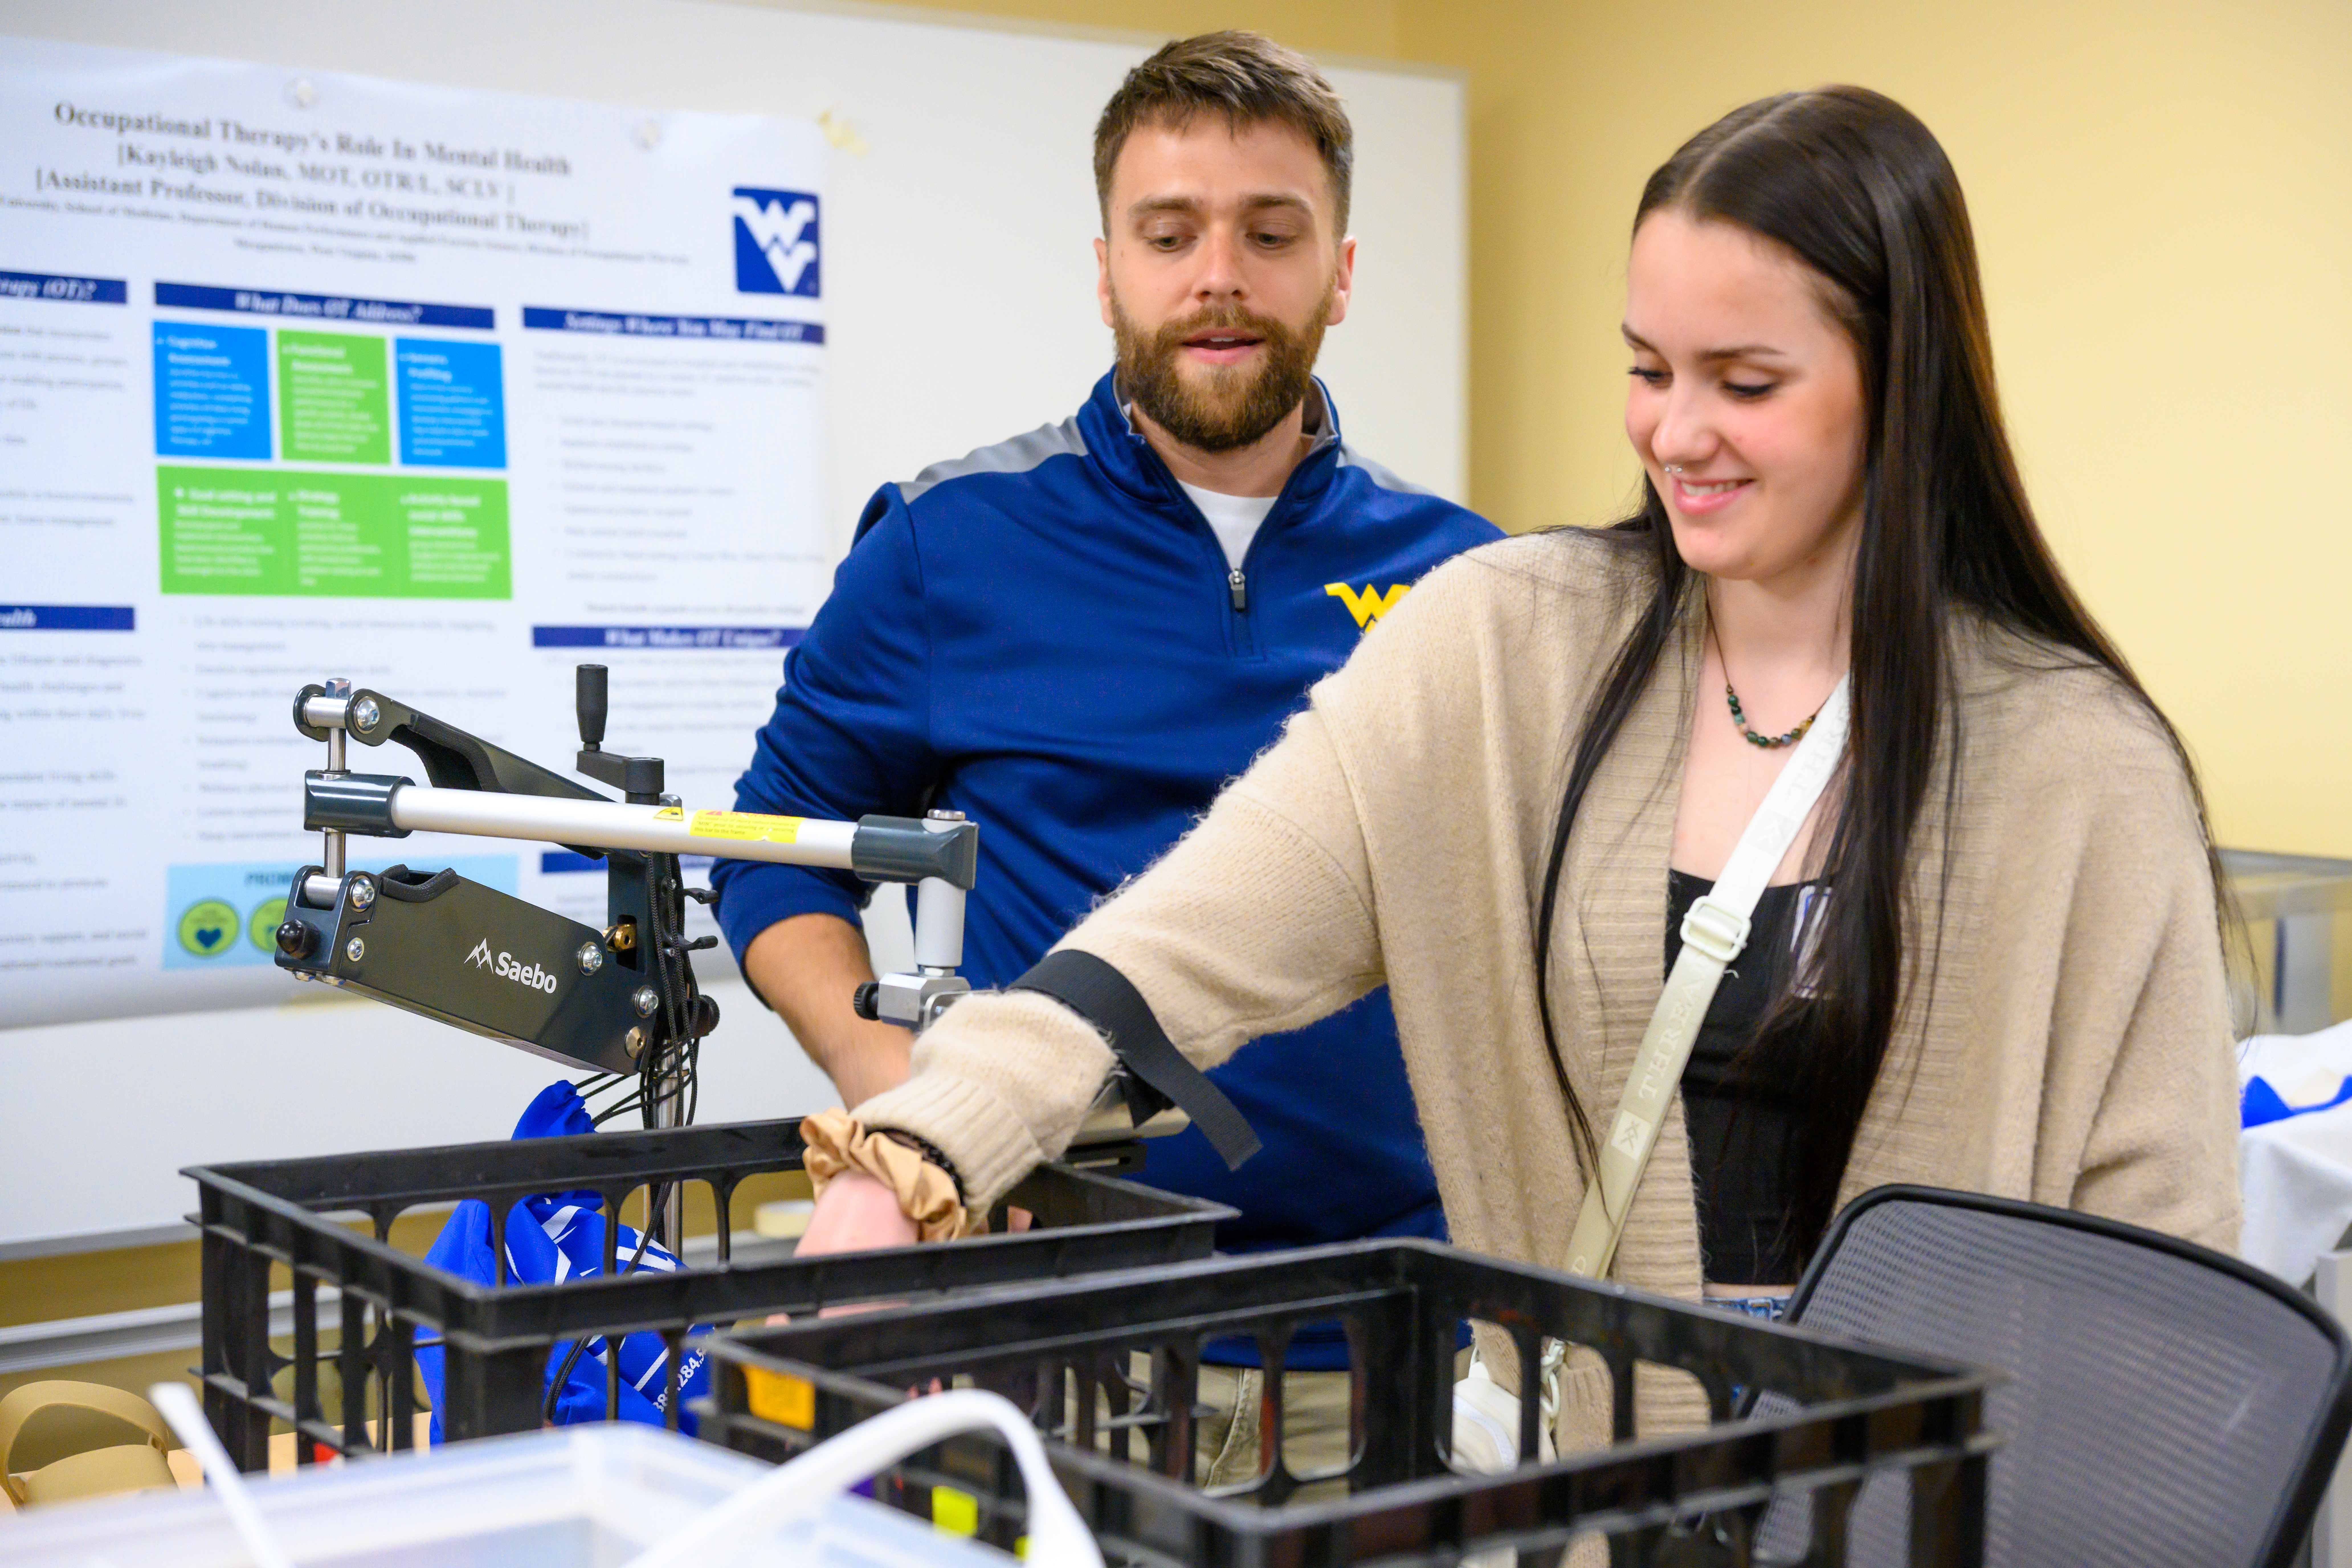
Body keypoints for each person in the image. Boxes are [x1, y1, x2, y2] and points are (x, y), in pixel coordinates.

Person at [794, 84, 2241, 1449]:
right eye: (1648, 368)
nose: (1678, 434)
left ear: (1903, 382)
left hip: (1921, 1510)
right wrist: (913, 1148)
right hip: (1584, 1501)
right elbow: (1181, 939)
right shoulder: (1505, 650)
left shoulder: (2082, 773)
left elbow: (2165, 1300)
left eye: (1745, 381)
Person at [711, 31, 1498, 1478]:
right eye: (1171, 233)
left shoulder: (1466, 579)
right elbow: (778, 844)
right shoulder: (953, 546)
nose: (1220, 277)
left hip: (1386, 1334)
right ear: (1106, 269)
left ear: (1339, 271)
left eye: (1272, 234)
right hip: (1068, 1332)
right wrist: (895, 1085)